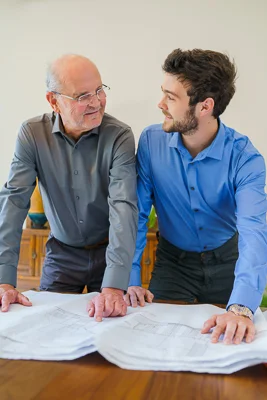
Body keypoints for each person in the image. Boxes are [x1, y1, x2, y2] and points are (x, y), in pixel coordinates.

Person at [125, 48, 267, 344]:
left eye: (171, 98)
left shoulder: (245, 158)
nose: (160, 104)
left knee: (230, 344)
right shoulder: (151, 143)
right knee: (156, 342)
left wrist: (241, 308)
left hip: (228, 263)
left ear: (205, 106)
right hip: (172, 266)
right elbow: (136, 215)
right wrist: (131, 279)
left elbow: (254, 232)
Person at [0, 54, 138, 321]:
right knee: (46, 327)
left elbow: (123, 207)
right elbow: (14, 203)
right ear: (54, 101)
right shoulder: (32, 134)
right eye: (83, 96)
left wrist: (113, 285)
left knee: (114, 328)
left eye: (99, 90)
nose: (96, 102)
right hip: (61, 254)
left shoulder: (119, 136)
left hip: (111, 253)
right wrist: (4, 280)